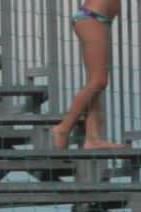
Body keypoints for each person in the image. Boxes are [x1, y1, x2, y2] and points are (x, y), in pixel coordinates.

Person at [51, 0, 124, 150]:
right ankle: (63, 128)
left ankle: (92, 138)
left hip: (98, 19)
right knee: (99, 81)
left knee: (95, 83)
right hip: (92, 18)